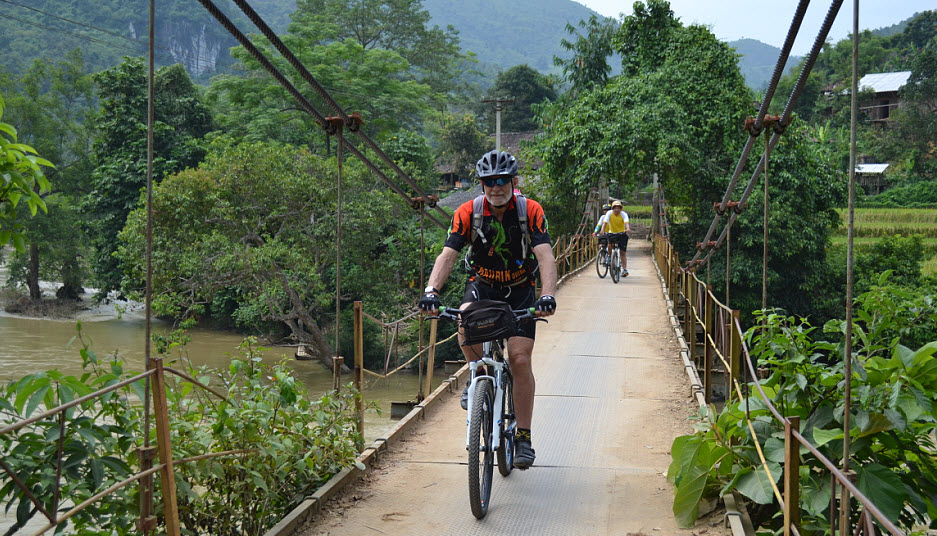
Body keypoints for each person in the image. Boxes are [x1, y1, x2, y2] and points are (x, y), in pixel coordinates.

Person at [418, 149, 558, 470]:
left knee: (520, 359)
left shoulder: (530, 211)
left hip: (520, 289)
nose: (495, 188)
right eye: (488, 182)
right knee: (464, 324)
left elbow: (545, 256)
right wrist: (431, 291)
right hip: (482, 285)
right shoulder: (467, 213)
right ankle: (477, 375)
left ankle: (523, 435)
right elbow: (448, 255)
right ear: (481, 184)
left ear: (513, 182)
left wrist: (547, 295)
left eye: (502, 181)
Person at [599, 200, 630, 276]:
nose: (617, 209)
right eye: (615, 208)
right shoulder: (609, 213)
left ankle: (625, 269)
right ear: (612, 208)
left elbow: (626, 223)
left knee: (623, 252)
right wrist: (602, 229)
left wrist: (628, 229)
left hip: (622, 233)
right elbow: (604, 222)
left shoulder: (624, 214)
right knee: (609, 244)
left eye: (618, 208)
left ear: (621, 208)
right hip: (612, 233)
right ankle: (609, 257)